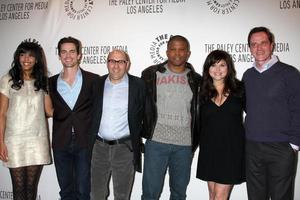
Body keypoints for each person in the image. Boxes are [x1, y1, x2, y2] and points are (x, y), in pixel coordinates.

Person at [243, 26, 300, 200]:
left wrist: (294, 145)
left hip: (281, 148)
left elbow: (298, 108)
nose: (258, 48)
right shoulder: (248, 75)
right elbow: (248, 107)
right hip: (253, 147)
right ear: (249, 48)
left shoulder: (289, 73)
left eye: (263, 43)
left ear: (272, 45)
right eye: (254, 44)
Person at [141, 35, 201, 200]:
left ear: (188, 53)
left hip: (184, 146)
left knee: (178, 194)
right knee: (150, 194)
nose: (177, 53)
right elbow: (139, 106)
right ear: (167, 52)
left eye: (182, 49)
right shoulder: (150, 74)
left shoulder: (197, 80)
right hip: (156, 143)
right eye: (173, 49)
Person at [0, 39, 52, 200]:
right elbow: (1, 113)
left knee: (31, 188)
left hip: (37, 139)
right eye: (22, 55)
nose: (26, 59)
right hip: (14, 140)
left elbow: (49, 111)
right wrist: (1, 141)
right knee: (19, 188)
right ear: (17, 57)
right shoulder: (8, 79)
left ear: (37, 59)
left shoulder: (42, 80)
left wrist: (77, 111)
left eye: (31, 56)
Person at [90, 49, 146, 200]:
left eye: (120, 61)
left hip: (124, 149)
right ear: (107, 63)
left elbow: (146, 113)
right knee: (96, 195)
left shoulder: (138, 85)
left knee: (122, 195)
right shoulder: (96, 84)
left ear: (127, 64)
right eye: (112, 61)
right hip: (98, 149)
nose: (116, 66)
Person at [49, 36, 100, 200]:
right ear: (59, 55)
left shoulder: (94, 80)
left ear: (79, 55)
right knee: (65, 192)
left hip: (85, 143)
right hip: (60, 143)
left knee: (83, 191)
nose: (68, 55)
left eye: (72, 51)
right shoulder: (49, 83)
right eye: (63, 51)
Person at [196, 50, 245, 200]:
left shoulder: (240, 89)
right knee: (212, 195)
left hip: (232, 149)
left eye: (222, 65)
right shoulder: (201, 91)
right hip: (209, 149)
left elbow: (256, 114)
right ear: (207, 68)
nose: (217, 70)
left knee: (220, 196)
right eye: (213, 65)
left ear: (229, 67)